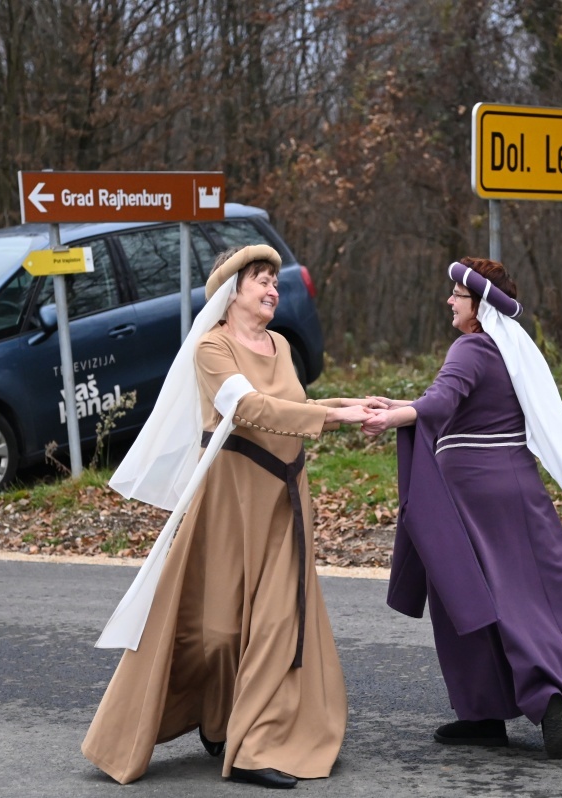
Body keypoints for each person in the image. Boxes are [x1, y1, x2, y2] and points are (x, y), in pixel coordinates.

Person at [83, 244, 377, 789]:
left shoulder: (282, 345)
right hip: (228, 500)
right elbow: (248, 408)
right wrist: (336, 418)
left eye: (275, 282)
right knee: (215, 630)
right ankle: (216, 718)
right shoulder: (210, 348)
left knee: (275, 623)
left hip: (283, 499)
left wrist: (351, 407)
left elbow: (292, 408)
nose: (272, 290)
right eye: (261, 280)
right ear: (231, 291)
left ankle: (253, 745)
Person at [361, 257, 562, 757]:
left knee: (473, 599)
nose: (450, 301)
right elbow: (454, 402)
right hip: (518, 485)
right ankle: (508, 707)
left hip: (473, 496)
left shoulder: (471, 346)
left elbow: (438, 404)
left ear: (478, 304)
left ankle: (533, 703)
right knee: (546, 593)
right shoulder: (506, 351)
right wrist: (397, 406)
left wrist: (394, 417)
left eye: (457, 294)